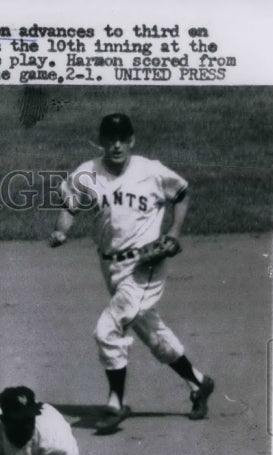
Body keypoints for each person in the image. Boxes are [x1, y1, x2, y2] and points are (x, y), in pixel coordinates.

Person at [49, 112, 215, 434]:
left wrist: (174, 233)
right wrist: (61, 232)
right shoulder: (87, 173)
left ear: (131, 140)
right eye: (110, 139)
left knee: (108, 329)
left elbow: (181, 193)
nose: (116, 145)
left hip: (145, 266)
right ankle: (198, 383)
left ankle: (115, 402)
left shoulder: (151, 171)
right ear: (101, 141)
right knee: (153, 335)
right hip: (111, 266)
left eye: (122, 139)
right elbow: (69, 206)